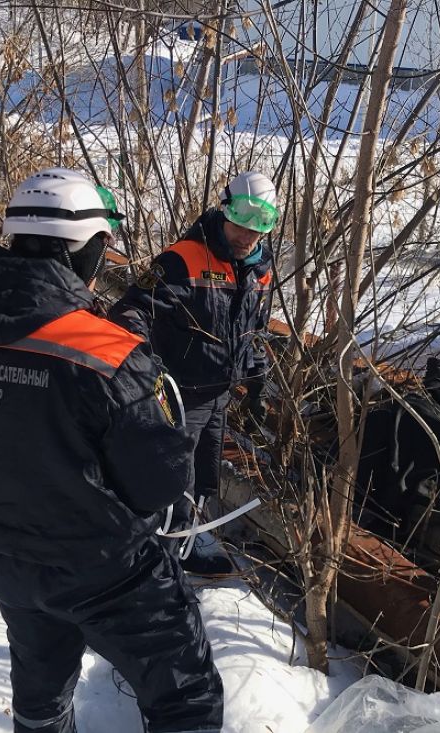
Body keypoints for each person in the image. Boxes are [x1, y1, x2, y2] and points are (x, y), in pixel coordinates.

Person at [0, 168, 224, 733]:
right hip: (107, 567)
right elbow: (159, 483)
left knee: (40, 705)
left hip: (9, 563)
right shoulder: (110, 352)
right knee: (187, 704)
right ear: (87, 249)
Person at [108, 171, 278, 575]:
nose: (248, 236)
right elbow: (131, 312)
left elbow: (253, 329)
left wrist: (256, 382)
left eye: (260, 226)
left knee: (205, 477)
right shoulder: (184, 258)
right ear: (225, 209)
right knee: (174, 477)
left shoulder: (259, 270)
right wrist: (148, 368)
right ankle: (162, 559)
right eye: (242, 222)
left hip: (221, 389)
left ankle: (183, 542)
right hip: (180, 392)